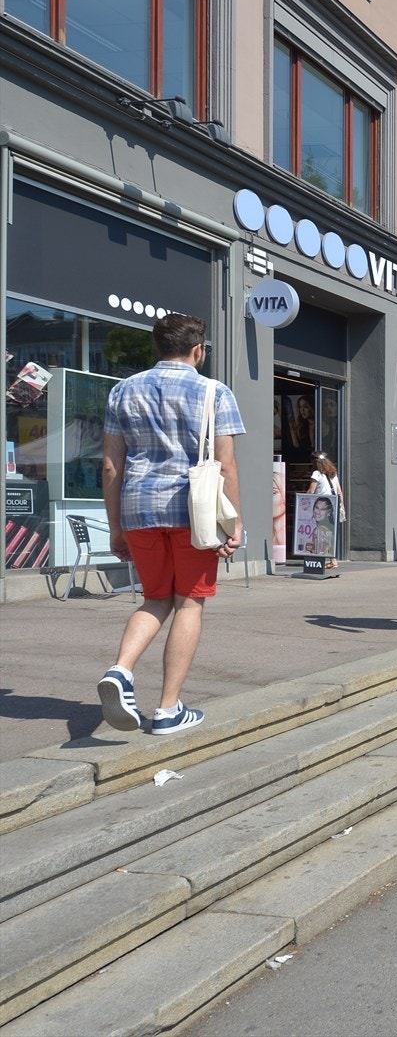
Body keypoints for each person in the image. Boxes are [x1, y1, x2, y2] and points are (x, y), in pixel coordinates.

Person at [97, 313, 243, 736]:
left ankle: (121, 671)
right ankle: (167, 709)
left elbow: (110, 466)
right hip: (192, 511)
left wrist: (116, 527)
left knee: (155, 598)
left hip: (139, 508)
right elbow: (226, 464)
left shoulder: (122, 391)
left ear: (158, 347)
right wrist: (234, 522)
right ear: (199, 349)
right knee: (189, 602)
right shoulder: (214, 391)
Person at [307, 452, 344, 568]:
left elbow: (311, 491)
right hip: (332, 506)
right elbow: (339, 492)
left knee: (320, 532)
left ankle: (323, 559)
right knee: (328, 532)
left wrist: (302, 500)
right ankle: (333, 560)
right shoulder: (333, 474)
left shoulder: (316, 473)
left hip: (321, 506)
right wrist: (341, 506)